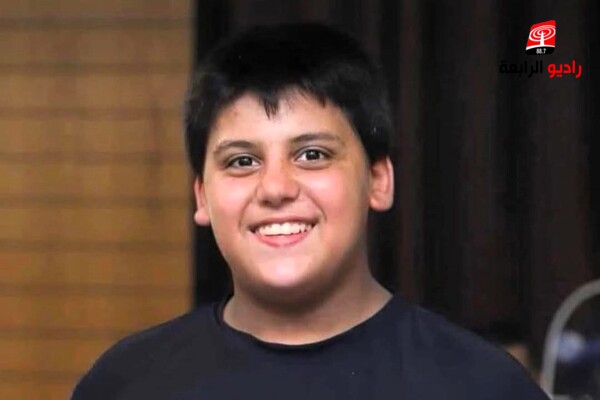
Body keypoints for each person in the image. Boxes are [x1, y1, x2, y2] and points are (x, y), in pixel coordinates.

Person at [71, 23, 548, 399]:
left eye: (312, 155)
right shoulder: (126, 382)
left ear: (378, 180)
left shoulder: (482, 385)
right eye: (242, 161)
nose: (276, 188)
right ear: (201, 197)